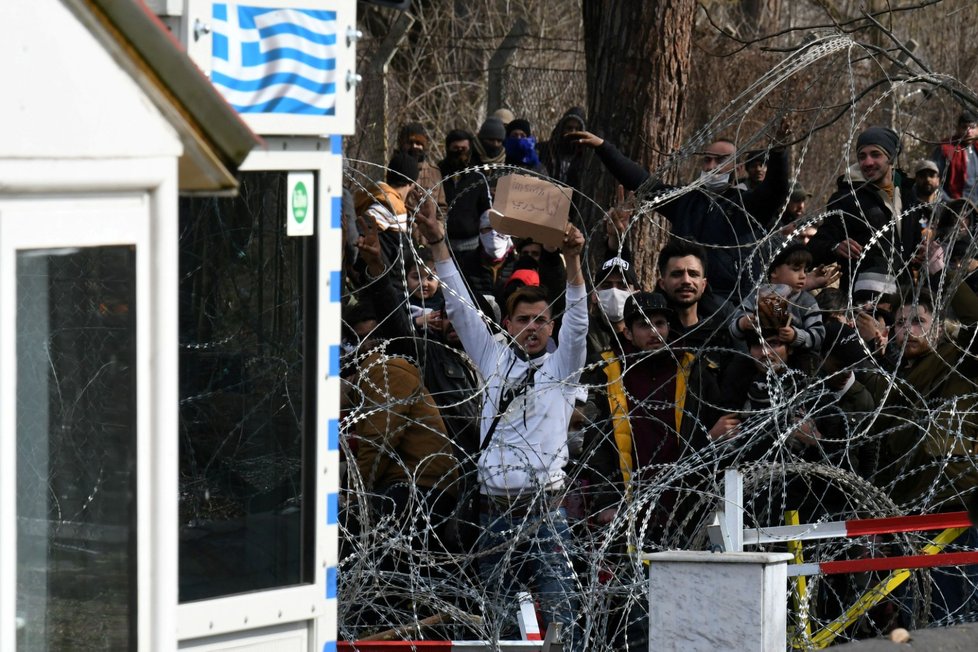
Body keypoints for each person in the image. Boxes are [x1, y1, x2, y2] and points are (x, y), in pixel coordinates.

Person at [416, 196, 588, 649]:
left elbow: (580, 321)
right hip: (494, 511)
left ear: (551, 326)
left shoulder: (562, 368)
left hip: (544, 513)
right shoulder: (492, 357)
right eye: (523, 319)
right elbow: (458, 308)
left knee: (561, 619)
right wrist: (438, 245)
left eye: (541, 320)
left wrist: (572, 261)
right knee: (502, 625)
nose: (533, 327)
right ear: (508, 323)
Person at [570, 123, 792, 301]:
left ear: (739, 168)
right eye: (707, 159)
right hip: (683, 298)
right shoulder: (685, 201)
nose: (711, 165)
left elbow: (776, 189)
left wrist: (779, 153)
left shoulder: (747, 206)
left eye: (721, 160)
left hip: (732, 302)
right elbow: (643, 183)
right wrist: (603, 148)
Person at [809, 126, 920, 292]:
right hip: (864, 301)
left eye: (875, 154)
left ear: (891, 157)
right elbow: (815, 248)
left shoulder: (907, 194)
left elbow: (911, 244)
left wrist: (920, 253)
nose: (867, 163)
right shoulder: (847, 199)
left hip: (902, 297)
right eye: (862, 156)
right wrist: (835, 247)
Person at [729, 243, 825, 372]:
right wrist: (743, 323)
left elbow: (818, 335)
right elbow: (732, 328)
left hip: (796, 366)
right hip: (758, 360)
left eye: (805, 270)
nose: (803, 275)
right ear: (774, 272)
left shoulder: (806, 302)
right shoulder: (757, 297)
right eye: (796, 269)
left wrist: (796, 336)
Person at [438, 129, 493, 254]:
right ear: (448, 149)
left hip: (471, 245)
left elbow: (486, 211)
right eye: (455, 148)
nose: (459, 152)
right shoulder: (437, 174)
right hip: (443, 243)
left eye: (464, 148)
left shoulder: (477, 177)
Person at [397, 122, 448, 217]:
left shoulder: (434, 172)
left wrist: (438, 229)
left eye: (418, 143)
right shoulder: (395, 170)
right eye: (409, 143)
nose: (414, 146)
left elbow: (442, 208)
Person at [932, 110, 978, 202]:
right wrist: (950, 203)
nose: (968, 132)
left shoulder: (976, 149)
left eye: (972, 127)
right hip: (952, 206)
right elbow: (934, 181)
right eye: (964, 127)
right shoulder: (946, 149)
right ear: (958, 128)